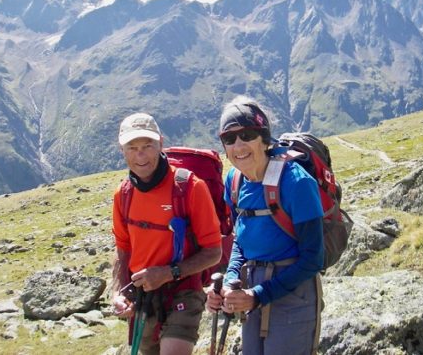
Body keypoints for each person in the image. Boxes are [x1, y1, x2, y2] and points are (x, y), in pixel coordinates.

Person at [206, 96, 324, 355]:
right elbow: (240, 239)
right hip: (252, 294)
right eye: (229, 138)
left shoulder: (296, 183)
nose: (238, 145)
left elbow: (313, 258)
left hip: (293, 294)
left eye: (246, 135)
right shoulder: (234, 181)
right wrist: (229, 281)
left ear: (263, 137)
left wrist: (259, 294)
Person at [111, 112, 222, 355]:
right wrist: (119, 293)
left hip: (184, 290)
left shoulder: (190, 187)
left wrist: (168, 273)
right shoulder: (124, 195)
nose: (141, 155)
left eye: (148, 146)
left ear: (160, 143)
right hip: (143, 297)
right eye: (133, 147)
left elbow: (214, 252)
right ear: (122, 150)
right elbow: (123, 251)